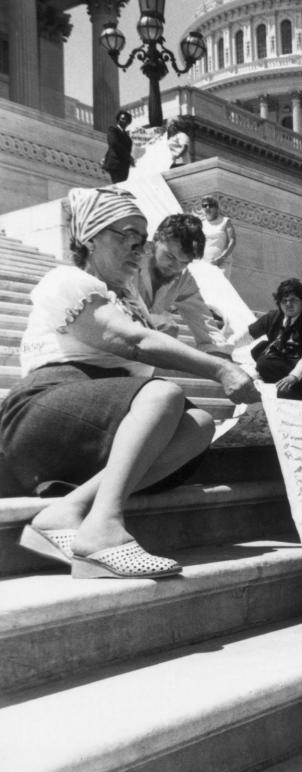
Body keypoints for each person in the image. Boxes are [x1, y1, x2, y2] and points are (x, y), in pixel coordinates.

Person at [0, 185, 259, 579]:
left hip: (92, 420)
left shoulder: (126, 299)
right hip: (41, 412)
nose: (138, 252)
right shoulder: (66, 280)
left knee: (199, 424)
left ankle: (68, 510)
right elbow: (134, 341)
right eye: (128, 238)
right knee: (163, 394)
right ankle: (102, 526)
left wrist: (233, 365)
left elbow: (189, 333)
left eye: (141, 242)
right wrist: (219, 370)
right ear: (90, 237)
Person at [131, 213, 228, 355]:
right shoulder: (127, 258)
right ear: (156, 239)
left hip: (136, 356)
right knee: (166, 326)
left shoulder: (183, 278)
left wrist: (221, 355)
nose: (175, 267)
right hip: (99, 343)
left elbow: (204, 325)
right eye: (170, 256)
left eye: (184, 262)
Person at [247, 278, 302, 399]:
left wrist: (294, 376)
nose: (288, 304)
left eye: (293, 300)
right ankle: (293, 390)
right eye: (284, 301)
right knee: (264, 362)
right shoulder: (274, 316)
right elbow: (248, 334)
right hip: (287, 361)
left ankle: (300, 392)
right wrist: (225, 347)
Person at [199, 196, 236, 275]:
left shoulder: (225, 221)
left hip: (221, 264)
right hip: (204, 263)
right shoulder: (202, 224)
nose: (207, 207)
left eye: (211, 205)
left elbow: (232, 241)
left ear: (216, 208)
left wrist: (222, 258)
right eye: (205, 206)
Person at [101, 110, 134, 184]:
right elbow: (114, 143)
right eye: (122, 118)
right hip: (115, 164)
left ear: (128, 122)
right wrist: (128, 156)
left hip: (124, 166)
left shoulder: (127, 137)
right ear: (118, 120)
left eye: (126, 119)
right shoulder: (113, 130)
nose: (124, 121)